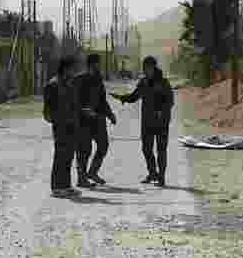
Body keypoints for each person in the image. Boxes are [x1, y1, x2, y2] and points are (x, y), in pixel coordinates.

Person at [112, 55, 174, 187]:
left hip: (161, 122)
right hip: (147, 122)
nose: (146, 70)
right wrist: (121, 98)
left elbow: (170, 101)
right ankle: (152, 173)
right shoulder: (143, 82)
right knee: (146, 149)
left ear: (154, 67)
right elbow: (134, 96)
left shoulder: (163, 82)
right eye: (145, 68)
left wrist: (161, 111)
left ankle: (161, 177)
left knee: (161, 150)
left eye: (148, 68)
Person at [44, 56, 83, 198]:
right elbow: (48, 110)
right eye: (73, 68)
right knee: (61, 155)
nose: (75, 71)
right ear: (66, 68)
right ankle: (56, 187)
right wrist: (58, 121)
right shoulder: (53, 84)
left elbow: (75, 104)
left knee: (68, 156)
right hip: (61, 126)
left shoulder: (70, 84)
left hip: (72, 124)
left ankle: (65, 185)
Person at [75, 54, 117, 186]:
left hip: (98, 119)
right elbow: (73, 100)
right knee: (84, 150)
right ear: (90, 64)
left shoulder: (98, 79)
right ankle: (81, 178)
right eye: (96, 64)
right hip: (83, 120)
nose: (98, 66)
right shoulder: (79, 79)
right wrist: (83, 110)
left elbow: (102, 100)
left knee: (103, 145)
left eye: (98, 63)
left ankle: (92, 172)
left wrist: (110, 114)